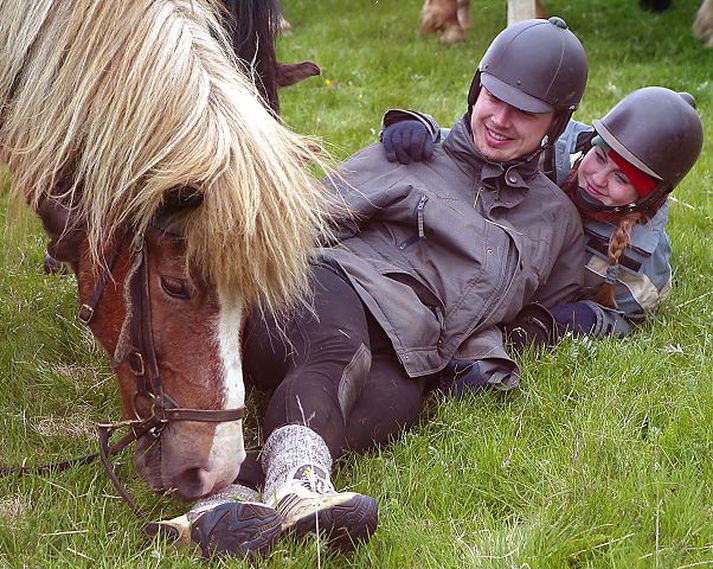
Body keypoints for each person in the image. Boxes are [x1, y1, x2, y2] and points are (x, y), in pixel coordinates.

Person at [162, 17, 589, 557]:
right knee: (339, 350)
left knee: (389, 408)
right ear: (475, 90)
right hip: (328, 289)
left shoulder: (554, 220)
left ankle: (221, 507)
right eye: (492, 98)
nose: (500, 120)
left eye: (524, 112)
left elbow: (541, 313)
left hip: (414, 348)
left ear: (557, 122)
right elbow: (303, 219)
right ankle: (298, 484)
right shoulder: (414, 155)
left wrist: (490, 357)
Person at [381, 86, 704, 342]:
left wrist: (575, 320)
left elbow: (627, 312)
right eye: (600, 157)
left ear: (648, 198)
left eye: (621, 179)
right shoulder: (550, 148)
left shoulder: (642, 258)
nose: (597, 178)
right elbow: (472, 147)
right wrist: (419, 127)